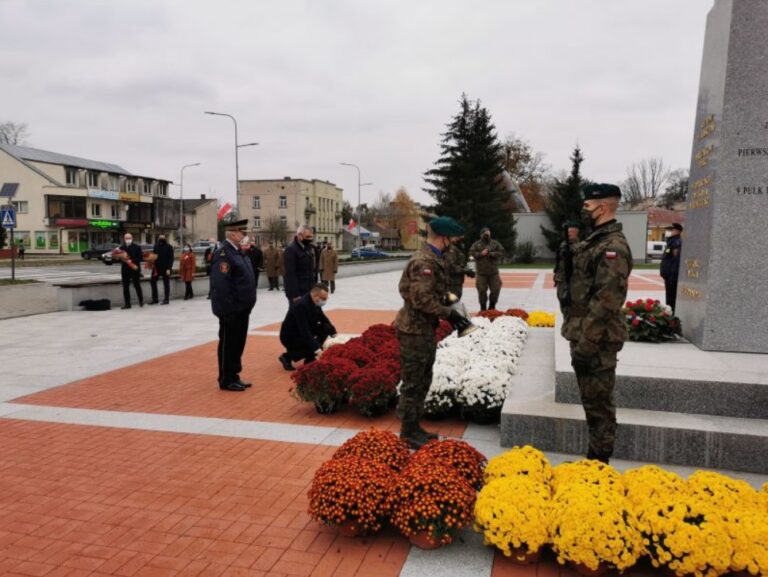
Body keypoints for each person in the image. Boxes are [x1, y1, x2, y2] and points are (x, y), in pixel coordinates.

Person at [562, 183, 633, 464]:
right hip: (585, 335)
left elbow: (607, 300)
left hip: (597, 340)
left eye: (588, 206)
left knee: (599, 406)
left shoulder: (612, 246)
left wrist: (587, 342)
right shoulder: (596, 240)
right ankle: (594, 459)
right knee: (591, 403)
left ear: (602, 207)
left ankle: (599, 463)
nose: (584, 211)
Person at [395, 216, 472, 449]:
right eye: (452, 238)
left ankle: (414, 426)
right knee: (413, 383)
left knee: (423, 380)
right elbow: (421, 299)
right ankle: (407, 432)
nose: (454, 242)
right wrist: (449, 313)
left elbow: (436, 292)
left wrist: (452, 302)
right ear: (443, 238)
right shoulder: (424, 263)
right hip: (414, 330)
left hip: (423, 328)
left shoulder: (434, 259)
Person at [210, 220, 256, 392]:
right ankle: (226, 378)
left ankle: (234, 375)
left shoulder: (238, 252)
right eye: (242, 232)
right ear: (232, 234)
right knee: (229, 344)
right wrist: (229, 309)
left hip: (242, 309)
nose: (244, 236)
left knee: (238, 343)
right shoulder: (224, 253)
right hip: (231, 310)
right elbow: (222, 285)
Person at [278, 283, 338, 370]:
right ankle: (287, 357)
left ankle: (310, 358)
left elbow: (323, 318)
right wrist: (317, 350)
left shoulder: (314, 301)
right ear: (315, 295)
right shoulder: (300, 306)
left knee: (326, 328)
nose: (325, 301)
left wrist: (334, 333)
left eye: (326, 298)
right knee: (312, 344)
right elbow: (304, 331)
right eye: (323, 298)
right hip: (290, 336)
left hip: (303, 331)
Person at [469, 227, 505, 311]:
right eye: (485, 233)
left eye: (488, 233)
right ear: (481, 234)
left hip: (493, 272)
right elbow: (471, 255)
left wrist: (493, 254)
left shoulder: (495, 243)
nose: (486, 235)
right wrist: (481, 254)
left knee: (496, 288)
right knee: (481, 290)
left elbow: (502, 252)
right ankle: (483, 307)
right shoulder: (476, 244)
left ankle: (492, 305)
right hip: (481, 273)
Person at [553, 220, 583, 318]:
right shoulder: (563, 245)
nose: (569, 233)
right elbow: (559, 262)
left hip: (573, 281)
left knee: (572, 303)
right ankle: (566, 319)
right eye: (568, 231)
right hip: (561, 279)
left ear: (577, 232)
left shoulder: (580, 247)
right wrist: (556, 275)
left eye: (572, 231)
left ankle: (571, 322)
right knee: (562, 301)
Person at [283, 225, 316, 303]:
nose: (310, 239)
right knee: (297, 314)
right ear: (299, 236)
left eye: (311, 237)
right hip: (298, 293)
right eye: (308, 237)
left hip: (309, 291)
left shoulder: (308, 248)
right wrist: (295, 295)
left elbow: (310, 271)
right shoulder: (291, 250)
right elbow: (290, 274)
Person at [443, 235, 475, 300]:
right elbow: (450, 267)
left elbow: (463, 262)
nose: (461, 238)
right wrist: (465, 270)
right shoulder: (450, 249)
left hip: (457, 283)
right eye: (458, 236)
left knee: (455, 302)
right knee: (451, 304)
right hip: (451, 283)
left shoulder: (459, 248)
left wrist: (470, 270)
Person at [660, 223, 683, 312]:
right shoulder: (671, 242)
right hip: (668, 276)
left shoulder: (676, 243)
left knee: (671, 299)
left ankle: (671, 318)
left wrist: (672, 277)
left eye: (671, 230)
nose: (669, 232)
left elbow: (675, 262)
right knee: (669, 298)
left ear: (677, 231)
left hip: (672, 277)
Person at [118, 233, 144, 309]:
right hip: (125, 270)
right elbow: (119, 259)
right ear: (124, 239)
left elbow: (140, 258)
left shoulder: (137, 247)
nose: (128, 239)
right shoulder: (121, 248)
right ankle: (127, 304)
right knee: (125, 287)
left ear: (132, 238)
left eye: (129, 238)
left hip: (134, 269)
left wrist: (131, 260)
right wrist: (117, 257)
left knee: (137, 285)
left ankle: (141, 301)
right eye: (126, 238)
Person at [149, 235, 174, 305]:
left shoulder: (169, 247)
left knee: (166, 284)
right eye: (160, 238)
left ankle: (166, 299)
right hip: (156, 268)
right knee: (152, 282)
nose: (161, 239)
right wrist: (150, 260)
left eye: (162, 238)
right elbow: (154, 255)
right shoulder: (156, 246)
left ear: (165, 239)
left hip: (166, 268)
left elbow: (171, 259)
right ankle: (155, 299)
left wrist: (169, 268)